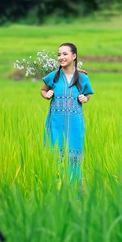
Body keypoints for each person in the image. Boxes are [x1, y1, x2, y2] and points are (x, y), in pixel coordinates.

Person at [40, 43, 95, 185]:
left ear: (74, 56)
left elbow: (88, 94)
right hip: (56, 123)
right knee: (55, 153)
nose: (61, 57)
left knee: (73, 154)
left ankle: (75, 188)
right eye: (59, 54)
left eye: (65, 54)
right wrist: (47, 95)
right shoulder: (53, 76)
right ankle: (55, 187)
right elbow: (43, 90)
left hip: (75, 123)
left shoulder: (83, 78)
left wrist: (85, 98)